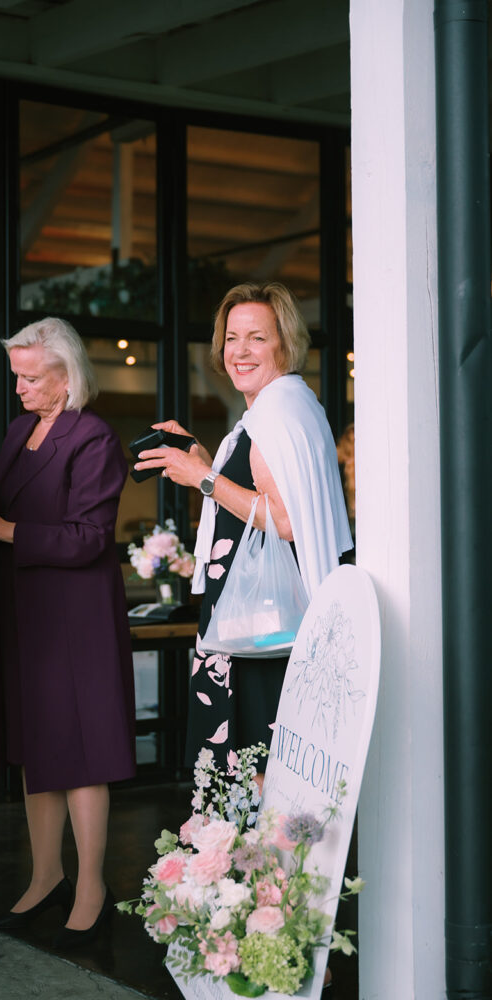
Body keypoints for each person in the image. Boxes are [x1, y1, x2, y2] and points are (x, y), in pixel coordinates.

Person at [134, 282, 353, 780]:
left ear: (284, 342)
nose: (240, 351)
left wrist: (204, 479)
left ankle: (253, 859)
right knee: (257, 771)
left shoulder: (276, 413)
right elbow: (259, 496)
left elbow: (286, 520)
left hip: (261, 628)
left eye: (257, 337)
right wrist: (206, 465)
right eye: (232, 338)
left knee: (256, 770)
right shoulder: (284, 407)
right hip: (257, 620)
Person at [0, 317, 135, 949]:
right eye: (16, 375)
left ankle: (90, 886)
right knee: (33, 747)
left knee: (80, 752)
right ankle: (45, 877)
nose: (18, 387)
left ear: (68, 378)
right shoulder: (20, 431)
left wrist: (5, 532)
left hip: (77, 614)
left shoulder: (93, 436)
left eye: (31, 376)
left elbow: (91, 537)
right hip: (25, 611)